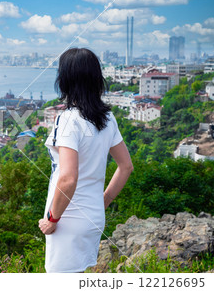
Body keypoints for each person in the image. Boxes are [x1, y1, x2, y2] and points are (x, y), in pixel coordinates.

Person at [38, 48, 133, 273]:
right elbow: (126, 166)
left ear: (65, 79)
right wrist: (104, 201)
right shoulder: (108, 118)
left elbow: (68, 178)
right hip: (93, 216)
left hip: (66, 219)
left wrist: (52, 218)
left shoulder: (69, 120)